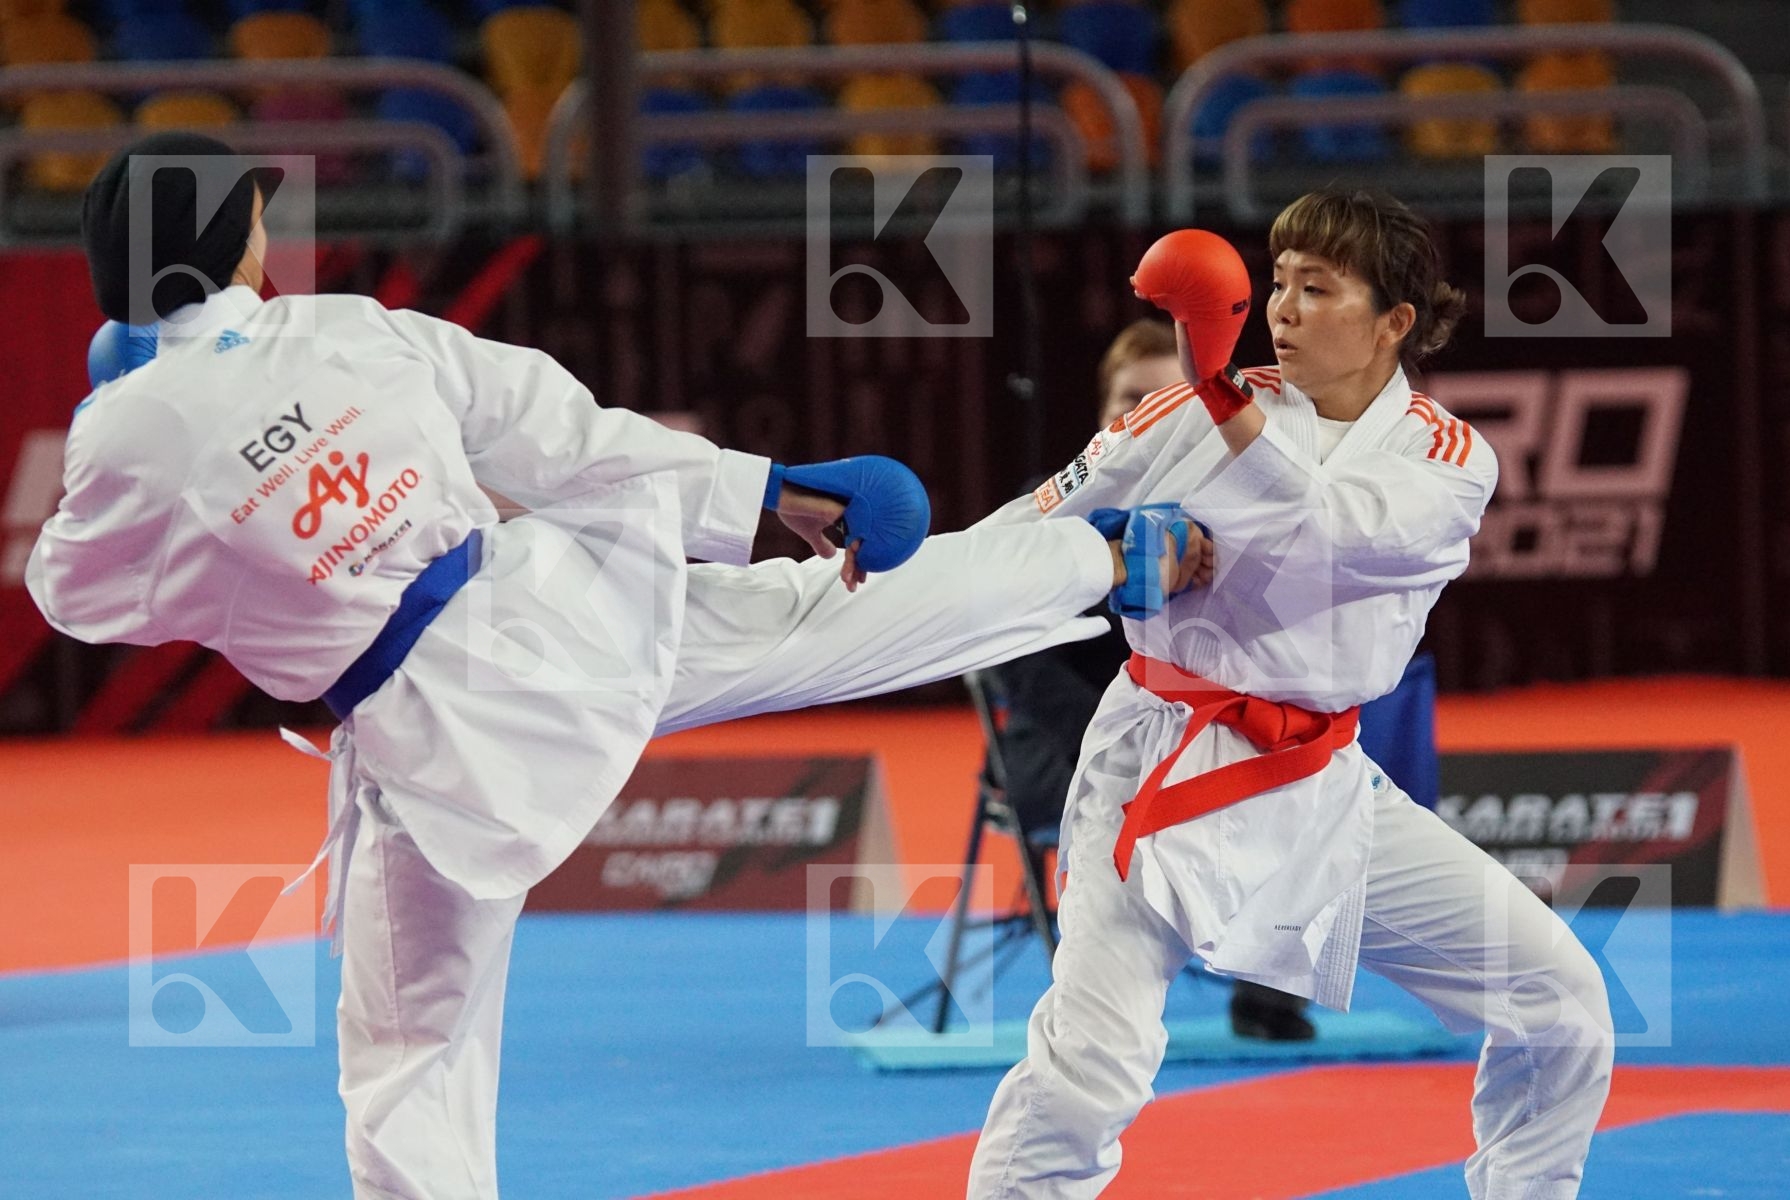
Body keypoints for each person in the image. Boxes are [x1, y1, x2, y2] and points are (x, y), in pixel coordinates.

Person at [30, 132, 1205, 1200]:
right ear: (236, 239)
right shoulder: (349, 329)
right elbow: (565, 434)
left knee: (411, 1052)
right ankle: (1098, 560)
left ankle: (1083, 560)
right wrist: (778, 491)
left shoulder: (132, 431)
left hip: (435, 736)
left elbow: (74, 597)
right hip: (559, 614)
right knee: (814, 619)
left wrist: (158, 458)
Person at [968, 190, 1613, 1199]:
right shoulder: (1182, 412)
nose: (1283, 308)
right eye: (1275, 284)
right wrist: (886, 573)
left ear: (1394, 321)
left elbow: (1329, 533)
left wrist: (1227, 410)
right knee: (1092, 1066)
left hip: (1319, 784)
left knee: (1558, 999)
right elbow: (1020, 533)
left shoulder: (1445, 457)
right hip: (1158, 757)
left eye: (1318, 288)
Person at [989, 317, 1315, 1042]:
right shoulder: (1051, 507)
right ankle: (1101, 1015)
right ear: (1104, 412)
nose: (1145, 414)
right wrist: (1119, 733)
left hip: (1200, 740)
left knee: (1299, 768)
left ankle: (1269, 992)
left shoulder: (1238, 520)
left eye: (1165, 399)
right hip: (1066, 748)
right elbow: (1009, 654)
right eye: (1129, 399)